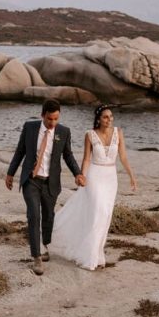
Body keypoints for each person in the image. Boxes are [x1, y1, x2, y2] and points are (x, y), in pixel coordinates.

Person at [50, 104, 137, 270]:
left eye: (111, 116)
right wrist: (81, 176)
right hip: (94, 176)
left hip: (111, 178)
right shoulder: (89, 135)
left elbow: (123, 156)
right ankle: (89, 258)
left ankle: (98, 255)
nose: (109, 119)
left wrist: (131, 176)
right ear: (98, 119)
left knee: (105, 217)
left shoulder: (118, 133)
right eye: (105, 117)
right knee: (98, 212)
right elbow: (87, 159)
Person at [5, 99, 86, 276]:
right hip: (31, 180)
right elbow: (20, 152)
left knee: (49, 216)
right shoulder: (30, 127)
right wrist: (10, 173)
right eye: (50, 119)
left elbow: (68, 155)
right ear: (43, 115)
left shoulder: (64, 132)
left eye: (56, 119)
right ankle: (36, 257)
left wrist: (77, 173)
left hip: (51, 182)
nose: (52, 123)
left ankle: (45, 244)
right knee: (34, 215)